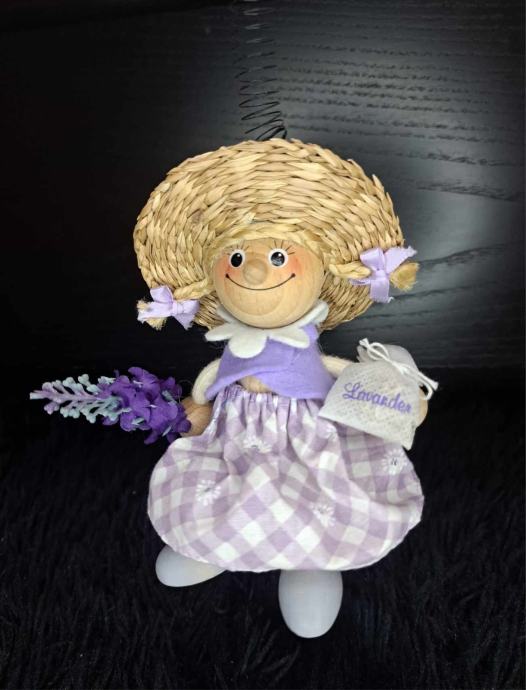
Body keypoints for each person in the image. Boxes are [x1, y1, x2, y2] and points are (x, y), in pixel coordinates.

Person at [133, 138, 427, 638]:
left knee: (321, 495)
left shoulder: (314, 352)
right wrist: (194, 413)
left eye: (275, 256)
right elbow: (207, 390)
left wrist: (397, 398)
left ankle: (313, 562)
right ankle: (216, 544)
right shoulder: (230, 346)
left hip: (312, 439)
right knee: (221, 488)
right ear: (214, 275)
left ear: (317, 271)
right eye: (236, 259)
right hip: (233, 439)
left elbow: (341, 374)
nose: (253, 270)